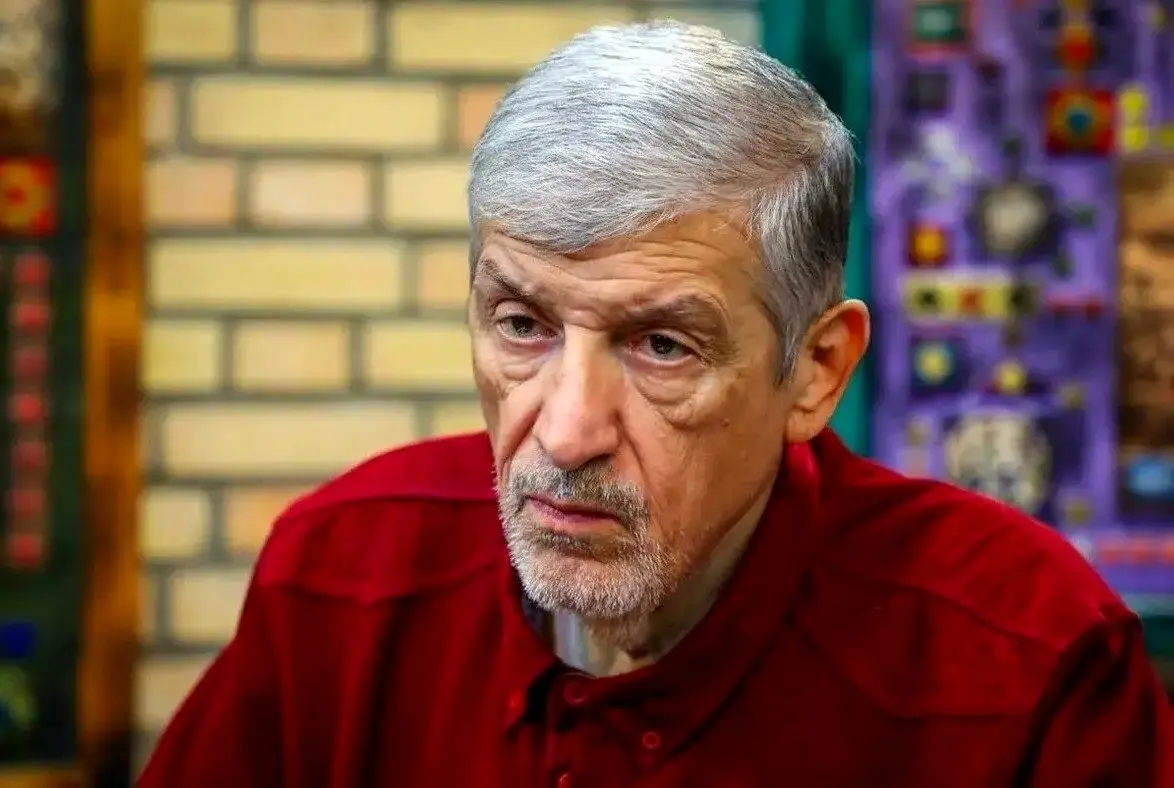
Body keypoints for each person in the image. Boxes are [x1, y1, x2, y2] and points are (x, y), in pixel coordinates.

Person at [139, 22, 1174, 787]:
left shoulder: (1024, 660)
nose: (565, 432)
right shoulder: (344, 580)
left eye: (661, 346)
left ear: (816, 370)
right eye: (521, 325)